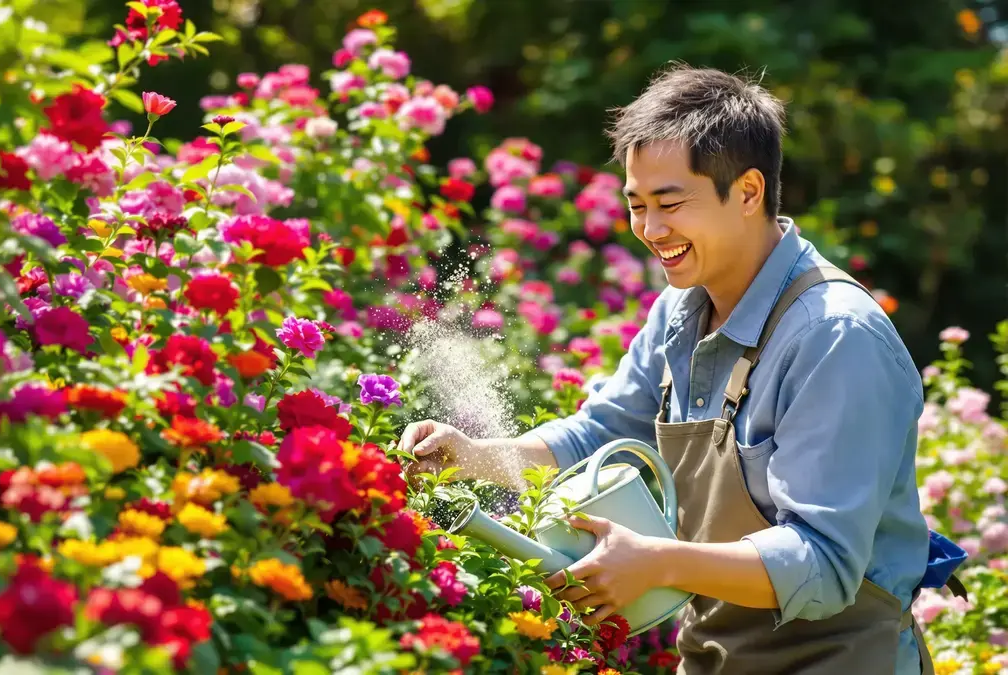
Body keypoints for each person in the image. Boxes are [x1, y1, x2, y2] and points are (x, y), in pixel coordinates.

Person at [399, 65, 951, 675]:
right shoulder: (680, 312)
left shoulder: (835, 337)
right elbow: (603, 433)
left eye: (670, 203)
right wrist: (473, 454)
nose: (650, 230)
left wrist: (659, 561)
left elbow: (823, 565)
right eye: (637, 205)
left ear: (747, 192)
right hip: (716, 658)